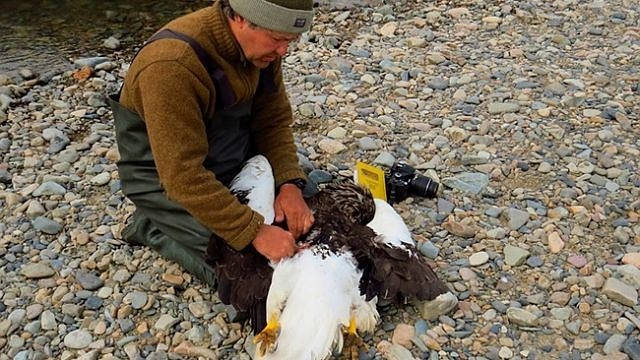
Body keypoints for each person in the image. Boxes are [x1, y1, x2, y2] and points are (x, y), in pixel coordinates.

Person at [108, 0, 316, 288]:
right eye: (279, 39)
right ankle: (151, 225)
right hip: (163, 179)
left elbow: (272, 122)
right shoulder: (171, 64)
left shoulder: (263, 50)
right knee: (248, 272)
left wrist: (289, 184)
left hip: (229, 154)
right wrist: (253, 231)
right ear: (242, 19)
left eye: (291, 40)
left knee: (312, 215)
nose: (284, 51)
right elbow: (182, 175)